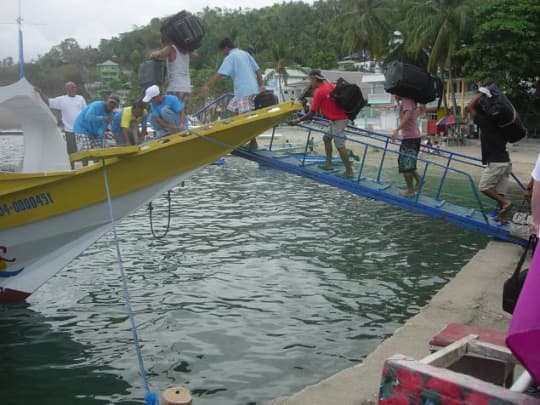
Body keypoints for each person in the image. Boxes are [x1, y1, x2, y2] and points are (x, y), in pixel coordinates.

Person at [288, 69, 353, 179]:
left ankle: (349, 171)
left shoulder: (319, 92)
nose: (310, 83)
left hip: (339, 120)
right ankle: (329, 164)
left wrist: (297, 121)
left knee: (340, 145)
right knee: (326, 138)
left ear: (314, 79)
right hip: (339, 118)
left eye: (310, 80)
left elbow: (311, 114)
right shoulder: (328, 86)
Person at [466, 89, 513, 223]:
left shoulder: (485, 122)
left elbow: (469, 107)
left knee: (484, 187)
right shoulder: (501, 123)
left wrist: (481, 93)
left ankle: (506, 203)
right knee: (500, 190)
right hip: (506, 162)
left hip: (496, 162)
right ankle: (502, 216)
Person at [201, 37, 265, 115]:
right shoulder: (245, 53)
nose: (222, 53)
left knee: (245, 116)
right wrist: (261, 85)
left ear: (226, 48)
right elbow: (257, 70)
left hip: (244, 92)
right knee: (233, 108)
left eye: (222, 51)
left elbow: (220, 74)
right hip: (254, 89)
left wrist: (207, 85)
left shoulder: (230, 57)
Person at [35, 82, 87, 155]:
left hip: (81, 130)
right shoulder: (62, 99)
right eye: (73, 87)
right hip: (69, 131)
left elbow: (85, 112)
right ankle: (72, 166)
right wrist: (40, 93)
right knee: (71, 152)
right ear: (67, 89)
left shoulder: (81, 98)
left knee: (84, 151)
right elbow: (48, 102)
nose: (75, 89)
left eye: (75, 87)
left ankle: (85, 166)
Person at [150, 37, 197, 109]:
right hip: (186, 88)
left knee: (172, 113)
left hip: (175, 87)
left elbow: (158, 55)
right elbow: (195, 55)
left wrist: (152, 54)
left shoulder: (171, 48)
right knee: (182, 113)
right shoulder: (186, 50)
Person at [391, 95, 423, 197]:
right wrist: (397, 101)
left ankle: (410, 190)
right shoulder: (406, 101)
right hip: (411, 137)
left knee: (406, 165)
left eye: (395, 92)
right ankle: (419, 180)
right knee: (405, 163)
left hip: (411, 138)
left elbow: (408, 114)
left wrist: (397, 129)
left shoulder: (407, 100)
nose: (394, 95)